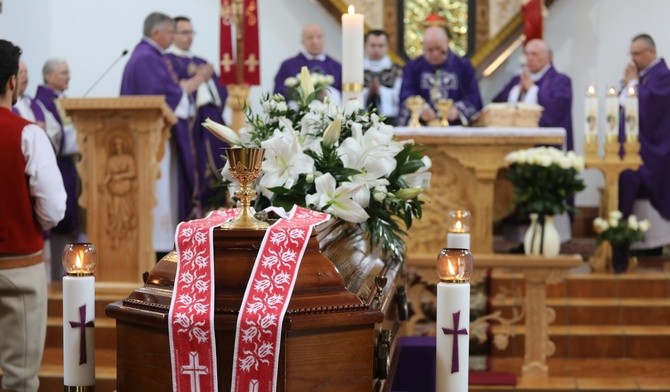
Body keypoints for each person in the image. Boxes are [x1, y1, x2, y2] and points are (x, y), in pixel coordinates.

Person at [0, 39, 66, 392]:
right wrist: (30, 222)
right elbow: (54, 208)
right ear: (12, 82)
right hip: (16, 268)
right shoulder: (27, 133)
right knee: (20, 379)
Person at [120, 12, 208, 256]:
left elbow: (168, 93)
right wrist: (194, 83)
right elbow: (165, 98)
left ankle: (159, 246)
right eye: (170, 32)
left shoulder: (147, 56)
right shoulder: (147, 59)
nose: (172, 37)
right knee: (158, 194)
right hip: (152, 140)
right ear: (156, 33)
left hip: (155, 137)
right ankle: (157, 250)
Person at [167, 16, 228, 212]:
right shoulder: (168, 61)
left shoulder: (202, 62)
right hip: (187, 131)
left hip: (209, 128)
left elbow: (221, 93)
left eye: (191, 32)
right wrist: (201, 78)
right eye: (184, 32)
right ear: (173, 34)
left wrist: (209, 82)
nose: (189, 37)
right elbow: (173, 92)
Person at [618, 33, 670, 255]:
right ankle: (634, 241)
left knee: (646, 186)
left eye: (637, 53)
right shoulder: (642, 75)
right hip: (634, 148)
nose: (633, 59)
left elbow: (650, 107)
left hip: (653, 149)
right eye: (631, 53)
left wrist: (631, 84)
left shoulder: (663, 76)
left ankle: (652, 243)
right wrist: (629, 83)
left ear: (651, 52)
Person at [34, 58, 81, 279]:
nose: (68, 76)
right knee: (58, 218)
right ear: (49, 76)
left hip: (69, 166)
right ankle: (55, 277)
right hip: (57, 165)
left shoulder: (63, 100)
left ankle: (70, 271)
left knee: (71, 217)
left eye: (68, 72)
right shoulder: (41, 102)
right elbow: (54, 137)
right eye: (63, 72)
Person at [492, 38, 574, 151]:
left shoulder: (561, 81)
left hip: (549, 150)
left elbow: (555, 113)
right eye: (526, 54)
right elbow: (496, 105)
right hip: (514, 147)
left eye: (534, 54)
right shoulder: (517, 81)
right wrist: (518, 92)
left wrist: (532, 90)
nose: (529, 58)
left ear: (549, 56)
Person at [398, 26, 482, 126]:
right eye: (430, 50)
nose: (435, 54)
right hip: (423, 128)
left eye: (439, 49)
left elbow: (474, 97)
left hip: (455, 128)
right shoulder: (413, 67)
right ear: (423, 47)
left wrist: (457, 110)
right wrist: (420, 109)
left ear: (447, 44)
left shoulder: (463, 66)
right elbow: (406, 95)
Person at [273, 24, 342, 102]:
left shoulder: (336, 67)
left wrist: (329, 94)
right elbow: (278, 95)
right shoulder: (288, 66)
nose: (315, 41)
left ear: (324, 39)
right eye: (310, 37)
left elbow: (344, 94)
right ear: (302, 40)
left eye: (319, 37)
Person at [363, 29, 402, 125]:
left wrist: (380, 92)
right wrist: (368, 93)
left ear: (387, 47)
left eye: (380, 46)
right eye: (372, 45)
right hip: (362, 120)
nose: (376, 49)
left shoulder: (397, 70)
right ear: (365, 46)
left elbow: (400, 96)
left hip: (389, 120)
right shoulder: (356, 70)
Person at [12, 60, 47, 130]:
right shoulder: (6, 104)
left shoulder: (36, 104)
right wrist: (33, 127)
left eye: (26, 72)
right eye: (20, 72)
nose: (24, 76)